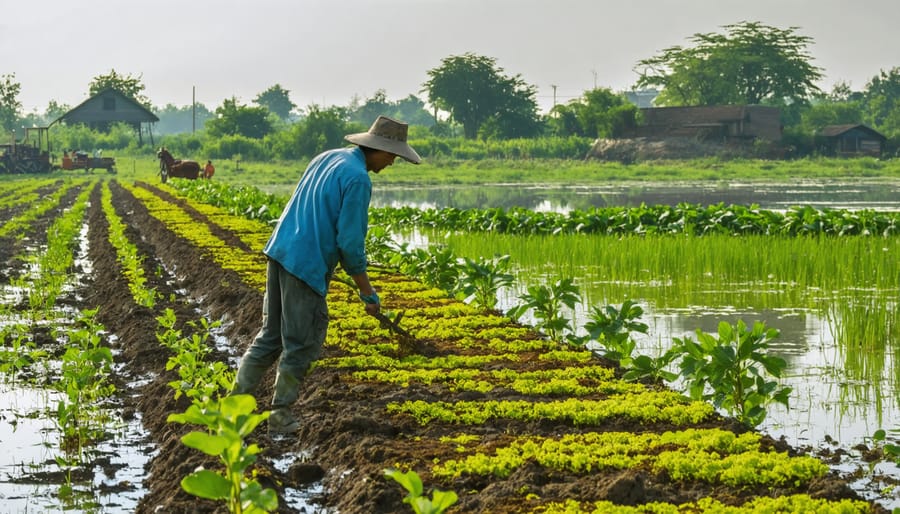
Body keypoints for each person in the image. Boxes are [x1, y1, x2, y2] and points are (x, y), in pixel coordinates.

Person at [231, 116, 421, 434]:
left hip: (279, 251)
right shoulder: (359, 179)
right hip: (305, 264)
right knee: (301, 341)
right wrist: (366, 291)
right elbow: (349, 243)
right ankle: (280, 416)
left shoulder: (328, 157)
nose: (391, 163)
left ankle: (233, 407)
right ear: (377, 149)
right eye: (392, 156)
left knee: (271, 335)